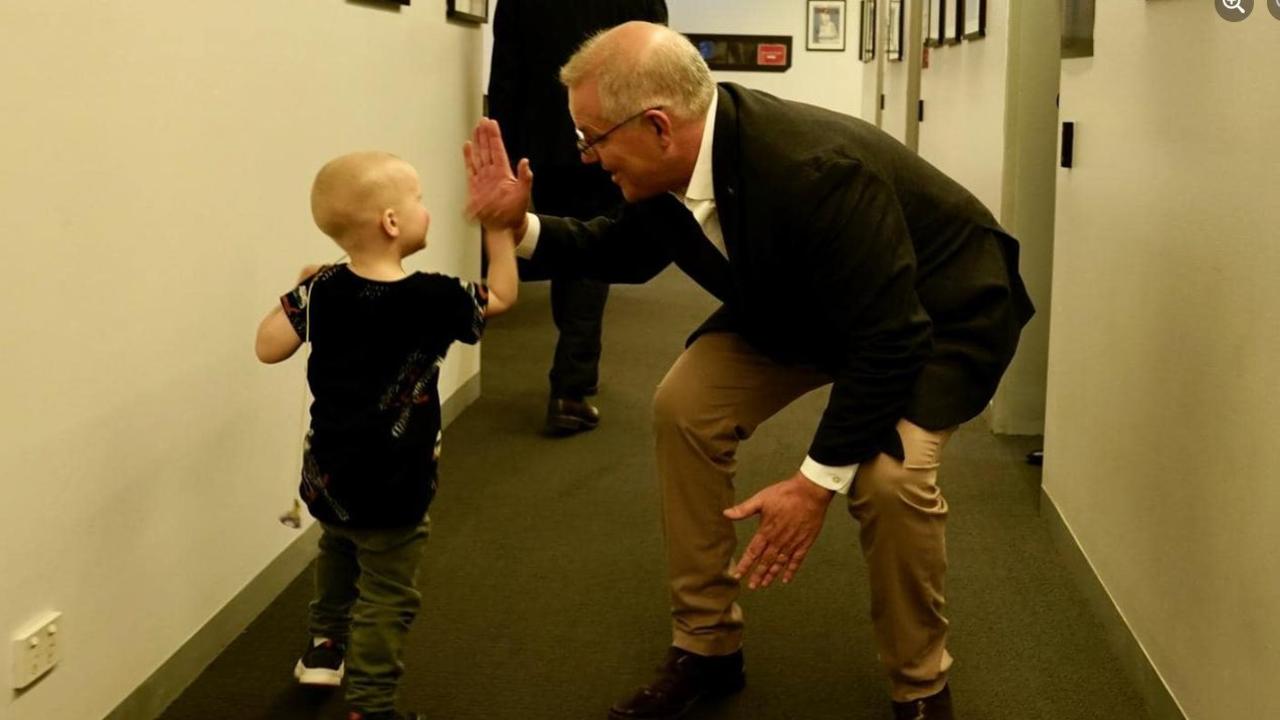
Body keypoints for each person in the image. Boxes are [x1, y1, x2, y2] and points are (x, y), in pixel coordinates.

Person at [464, 22, 1033, 720]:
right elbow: (624, 250)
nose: (586, 157)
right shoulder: (675, 161)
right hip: (799, 303)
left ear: (657, 126)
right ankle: (706, 646)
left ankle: (920, 684)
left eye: (592, 138)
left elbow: (889, 338)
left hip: (932, 315)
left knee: (889, 479)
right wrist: (519, 225)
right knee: (685, 407)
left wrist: (814, 483)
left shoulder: (811, 170)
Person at [255, 151, 517, 720]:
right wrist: (499, 232)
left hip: (328, 477)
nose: (428, 209)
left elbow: (267, 346)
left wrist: (303, 291)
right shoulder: (435, 297)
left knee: (338, 546)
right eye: (419, 199)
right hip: (395, 484)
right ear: (393, 223)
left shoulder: (323, 291)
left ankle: (325, 648)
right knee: (387, 595)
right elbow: (501, 296)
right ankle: (372, 708)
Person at [487, 0, 668, 434]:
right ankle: (571, 384)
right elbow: (657, 70)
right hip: (615, 135)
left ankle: (574, 368)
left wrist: (510, 160)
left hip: (545, 145)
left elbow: (507, 81)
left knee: (568, 246)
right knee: (593, 251)